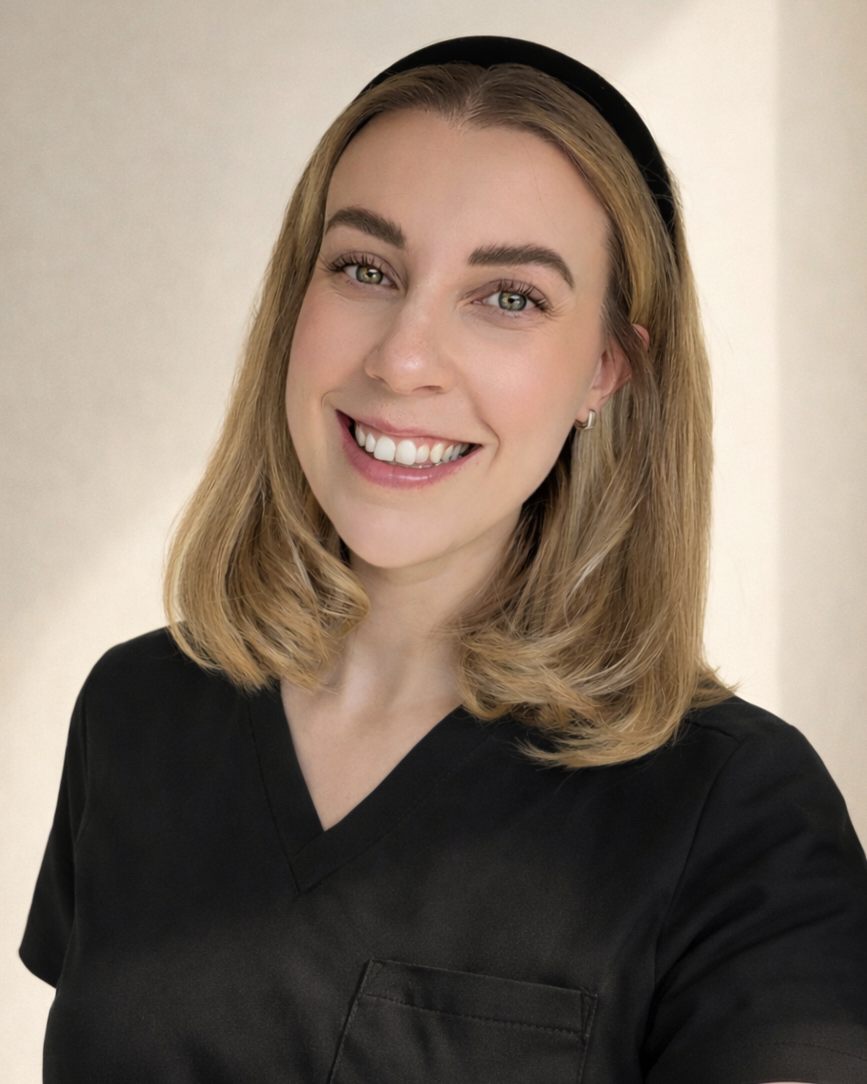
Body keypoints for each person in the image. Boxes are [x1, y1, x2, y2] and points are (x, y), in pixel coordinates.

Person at [19, 35, 867, 1084]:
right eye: (365, 269)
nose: (402, 357)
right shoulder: (134, 712)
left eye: (507, 295)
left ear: (607, 368)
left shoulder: (741, 815)